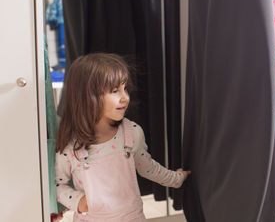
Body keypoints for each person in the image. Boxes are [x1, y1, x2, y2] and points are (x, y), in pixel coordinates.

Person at [55, 53, 190, 221]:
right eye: (114, 91)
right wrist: (78, 202)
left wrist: (176, 179)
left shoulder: (131, 132)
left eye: (125, 88)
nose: (125, 97)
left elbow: (148, 168)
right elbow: (58, 184)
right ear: (88, 97)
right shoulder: (71, 146)